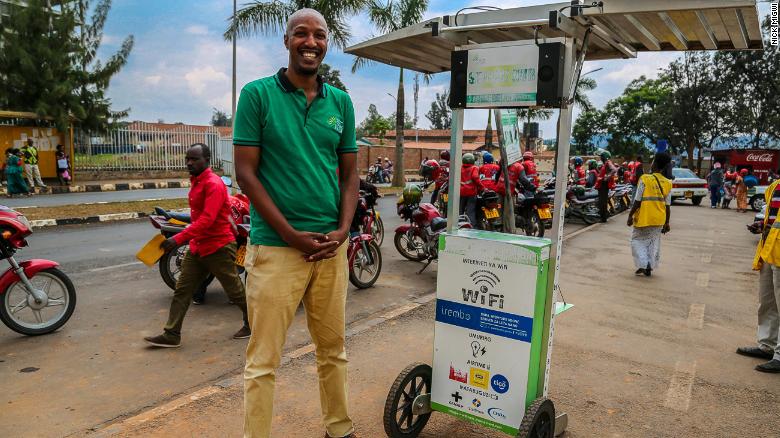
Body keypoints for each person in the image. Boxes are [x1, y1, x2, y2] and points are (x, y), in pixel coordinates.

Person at [233, 8, 360, 438]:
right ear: (287, 41)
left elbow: (349, 176)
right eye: (301, 34)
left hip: (330, 249)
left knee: (333, 351)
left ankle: (339, 429)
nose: (311, 42)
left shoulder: (340, 103)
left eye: (319, 35)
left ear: (327, 43)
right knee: (263, 361)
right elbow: (245, 173)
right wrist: (289, 233)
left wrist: (342, 232)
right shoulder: (257, 95)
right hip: (275, 249)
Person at [143, 143, 249, 348]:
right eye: (187, 159)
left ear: (207, 160)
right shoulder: (196, 181)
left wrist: (177, 239)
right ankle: (171, 333)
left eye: (194, 159)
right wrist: (187, 240)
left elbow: (207, 220)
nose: (189, 163)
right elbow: (197, 218)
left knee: (234, 291)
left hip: (218, 246)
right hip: (198, 246)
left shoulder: (213, 184)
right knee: (182, 290)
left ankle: (254, 323)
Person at [739, 176, 780, 373]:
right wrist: (762, 226)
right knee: (767, 303)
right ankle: (767, 346)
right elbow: (772, 218)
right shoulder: (774, 186)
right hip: (768, 250)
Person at [626, 152, 672, 277]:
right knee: (652, 242)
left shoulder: (645, 179)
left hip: (644, 217)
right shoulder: (668, 182)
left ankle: (643, 263)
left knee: (637, 240)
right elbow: (667, 206)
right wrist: (667, 223)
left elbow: (637, 201)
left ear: (655, 163)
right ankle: (649, 266)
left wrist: (630, 215)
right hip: (659, 219)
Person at [460, 153, 483, 226]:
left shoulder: (460, 168)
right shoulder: (474, 168)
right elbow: (475, 177)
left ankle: (458, 225)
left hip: (461, 192)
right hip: (471, 193)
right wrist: (482, 187)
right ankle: (471, 226)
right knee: (470, 211)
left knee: (460, 210)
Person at [595, 151, 618, 222]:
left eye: (601, 156)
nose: (600, 158)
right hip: (602, 185)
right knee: (602, 202)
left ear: (604, 157)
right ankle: (603, 217)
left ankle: (603, 219)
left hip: (603, 185)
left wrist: (607, 177)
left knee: (602, 202)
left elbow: (614, 169)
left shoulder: (608, 162)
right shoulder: (605, 164)